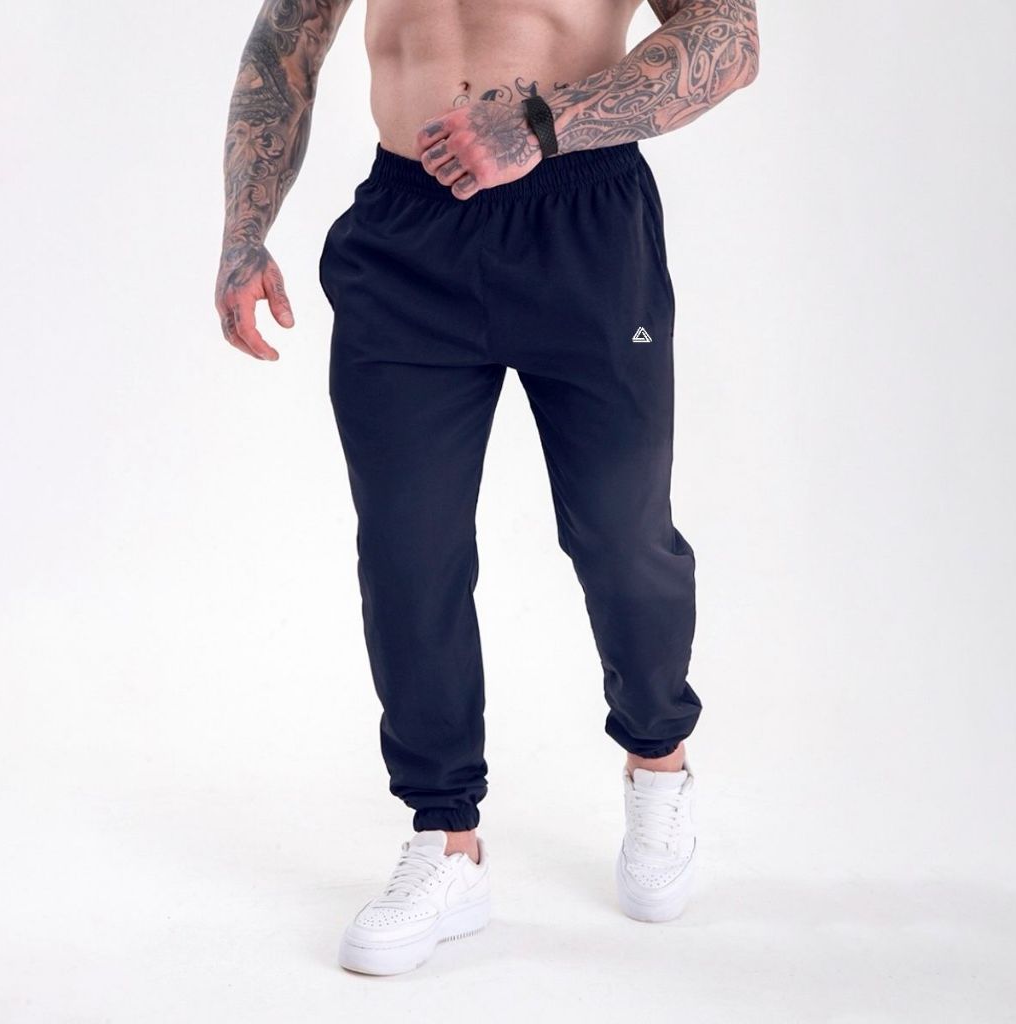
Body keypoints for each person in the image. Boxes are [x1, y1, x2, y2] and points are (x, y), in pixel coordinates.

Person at [216, 0, 759, 975]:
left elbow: (729, 38)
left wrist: (542, 125)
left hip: (582, 222)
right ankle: (446, 838)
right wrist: (243, 231)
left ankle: (657, 760)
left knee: (621, 534)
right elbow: (284, 45)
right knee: (406, 552)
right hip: (404, 234)